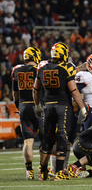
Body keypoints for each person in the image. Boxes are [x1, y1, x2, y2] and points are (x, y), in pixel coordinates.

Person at [33, 42, 88, 180]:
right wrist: (82, 109)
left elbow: (36, 89)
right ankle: (59, 172)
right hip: (62, 106)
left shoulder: (42, 68)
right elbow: (74, 92)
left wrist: (38, 106)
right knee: (62, 139)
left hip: (48, 106)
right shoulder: (65, 69)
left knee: (47, 139)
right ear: (63, 54)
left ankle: (43, 172)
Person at [11, 47, 43, 180]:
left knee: (28, 141)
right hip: (38, 106)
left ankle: (29, 171)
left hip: (23, 106)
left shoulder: (16, 69)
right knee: (45, 141)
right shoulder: (39, 69)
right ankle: (43, 169)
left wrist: (20, 106)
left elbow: (15, 94)